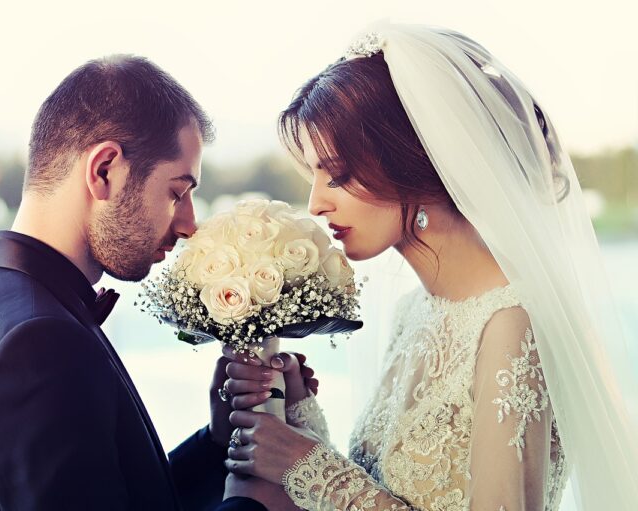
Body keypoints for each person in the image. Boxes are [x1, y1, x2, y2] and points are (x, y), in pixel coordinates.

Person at [222, 23, 638, 510]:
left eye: (338, 174)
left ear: (413, 160)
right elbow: (384, 485)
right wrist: (296, 415)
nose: (315, 204)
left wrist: (306, 465)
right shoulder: (415, 310)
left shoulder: (511, 325)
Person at [0, 54, 284, 511]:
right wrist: (258, 503)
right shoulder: (38, 343)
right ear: (105, 169)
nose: (189, 224)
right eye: (176, 191)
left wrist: (215, 443)